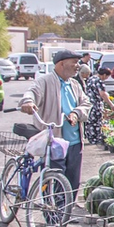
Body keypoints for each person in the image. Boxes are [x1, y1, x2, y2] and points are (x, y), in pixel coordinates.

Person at [20, 49, 90, 193]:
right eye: (74, 63)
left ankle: (66, 213)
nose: (78, 66)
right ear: (61, 64)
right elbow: (32, 92)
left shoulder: (75, 85)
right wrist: (28, 101)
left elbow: (86, 103)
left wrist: (76, 113)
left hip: (75, 142)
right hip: (54, 142)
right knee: (53, 181)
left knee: (72, 183)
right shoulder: (44, 82)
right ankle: (52, 213)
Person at [82, 66, 113, 145]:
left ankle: (91, 138)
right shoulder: (99, 81)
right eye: (107, 77)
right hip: (96, 104)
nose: (106, 79)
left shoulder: (91, 79)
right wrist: (110, 104)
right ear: (104, 75)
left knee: (90, 122)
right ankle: (96, 139)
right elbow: (102, 94)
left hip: (88, 103)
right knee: (97, 122)